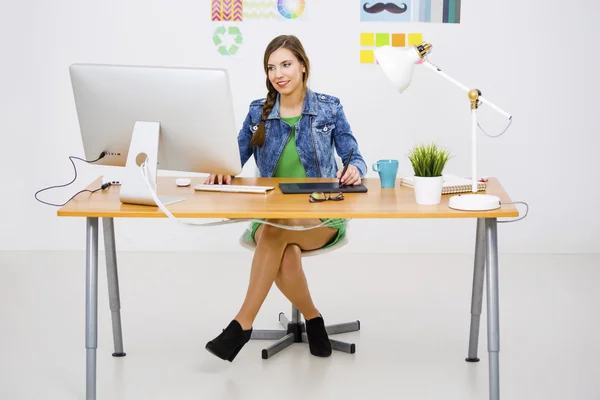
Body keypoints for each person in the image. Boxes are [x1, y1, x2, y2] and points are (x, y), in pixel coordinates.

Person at [203, 34, 367, 362]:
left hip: (320, 215)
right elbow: (233, 159)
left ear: (303, 66)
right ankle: (314, 318)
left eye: (286, 64)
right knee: (285, 253)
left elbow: (354, 155)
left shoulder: (329, 108)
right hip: (273, 217)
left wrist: (356, 170)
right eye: (271, 67)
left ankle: (241, 325)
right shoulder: (258, 113)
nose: (279, 73)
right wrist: (221, 169)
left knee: (274, 228)